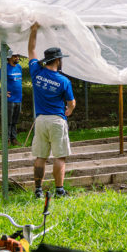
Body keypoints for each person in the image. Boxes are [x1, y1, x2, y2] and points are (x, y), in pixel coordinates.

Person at [28, 23, 76, 199]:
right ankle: (59, 191)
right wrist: (69, 110)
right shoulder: (63, 81)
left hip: (40, 120)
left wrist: (33, 30)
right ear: (57, 61)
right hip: (57, 120)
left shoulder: (36, 71)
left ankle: (38, 191)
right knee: (60, 156)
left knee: (40, 156)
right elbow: (71, 102)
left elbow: (31, 50)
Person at [0, 50, 23, 145]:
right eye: (15, 56)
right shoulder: (5, 68)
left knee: (15, 120)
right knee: (8, 120)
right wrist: (1, 91)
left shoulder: (19, 67)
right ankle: (7, 139)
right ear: (9, 58)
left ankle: (14, 139)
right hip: (10, 99)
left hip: (18, 98)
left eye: (18, 56)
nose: (17, 58)